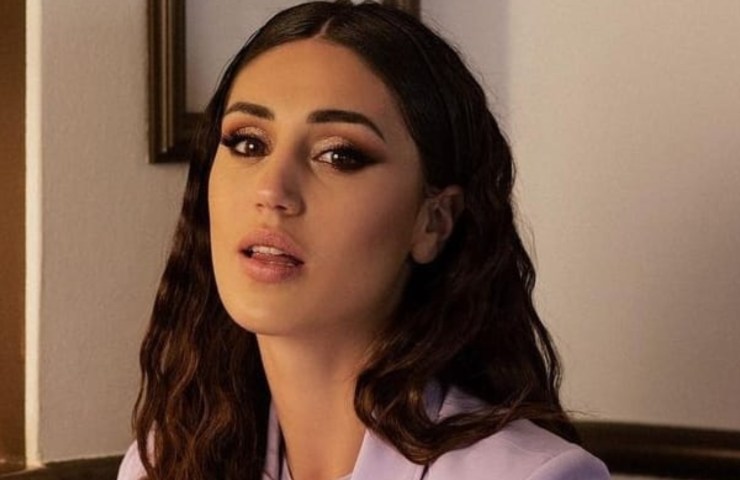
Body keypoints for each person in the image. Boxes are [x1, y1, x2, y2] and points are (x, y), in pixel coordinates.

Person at [118, 1, 610, 479]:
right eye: (248, 143)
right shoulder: (163, 462)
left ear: (433, 221)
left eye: (339, 155)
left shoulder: (532, 475)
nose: (271, 190)